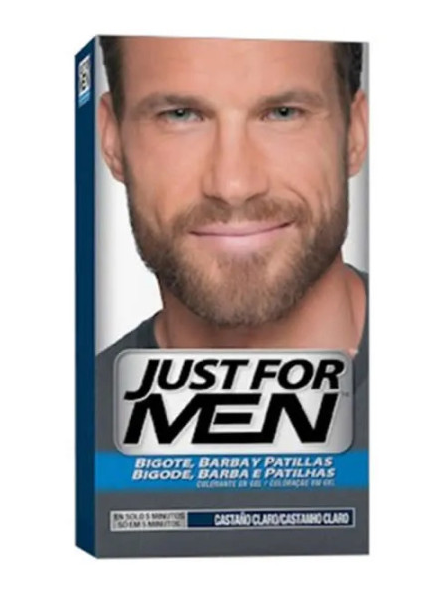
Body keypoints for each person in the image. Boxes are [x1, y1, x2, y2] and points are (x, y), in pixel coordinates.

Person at [95, 36, 368, 449]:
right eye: (181, 115)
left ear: (355, 135)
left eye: (283, 113)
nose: (233, 186)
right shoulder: (74, 436)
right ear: (112, 140)